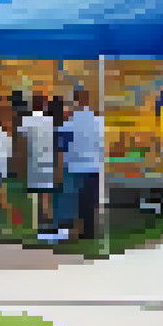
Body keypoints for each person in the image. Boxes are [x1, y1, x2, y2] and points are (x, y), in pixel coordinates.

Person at [60, 89, 104, 242]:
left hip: (74, 166)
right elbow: (102, 144)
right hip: (93, 166)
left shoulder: (69, 123)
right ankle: (90, 232)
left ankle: (77, 232)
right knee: (91, 202)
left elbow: (63, 146)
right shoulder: (98, 122)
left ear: (75, 100)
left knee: (76, 202)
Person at [19, 94, 58, 240]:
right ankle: (46, 225)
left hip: (33, 161)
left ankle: (39, 225)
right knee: (46, 195)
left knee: (36, 196)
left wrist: (21, 163)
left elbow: (22, 143)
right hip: (48, 161)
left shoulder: (26, 121)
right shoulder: (50, 121)